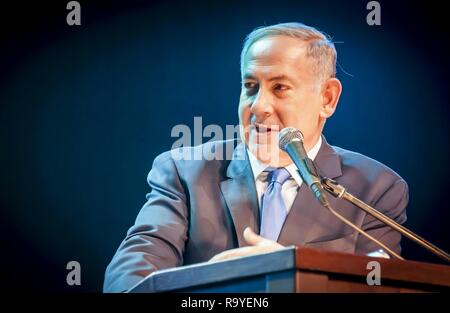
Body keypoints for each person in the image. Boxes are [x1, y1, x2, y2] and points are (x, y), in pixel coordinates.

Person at [103, 22, 408, 292]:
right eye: (250, 87)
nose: (258, 106)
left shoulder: (377, 189)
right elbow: (129, 278)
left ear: (327, 98)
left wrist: (285, 274)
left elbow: (380, 287)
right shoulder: (184, 172)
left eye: (280, 87)